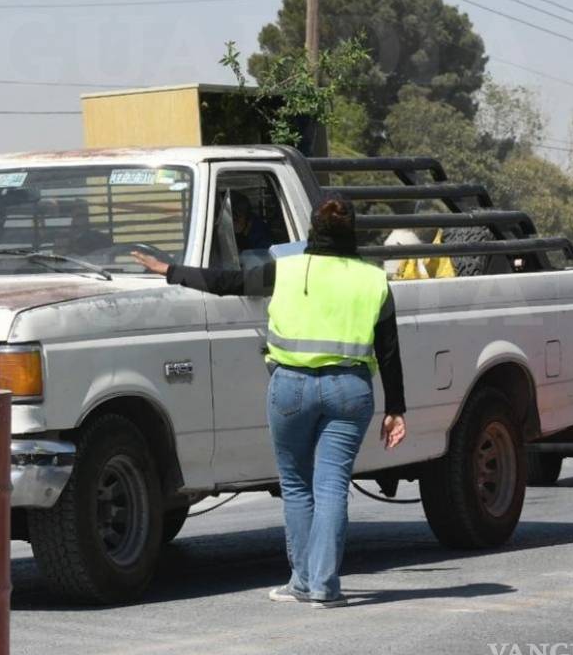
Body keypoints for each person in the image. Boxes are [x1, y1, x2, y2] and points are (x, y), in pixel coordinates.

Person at [134, 196, 406, 608]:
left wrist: (170, 271)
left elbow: (227, 283)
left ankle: (301, 582)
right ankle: (325, 587)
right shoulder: (373, 280)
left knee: (297, 485)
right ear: (353, 233)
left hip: (291, 388)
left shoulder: (287, 269)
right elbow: (389, 350)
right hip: (350, 391)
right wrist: (396, 410)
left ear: (312, 231)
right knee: (331, 486)